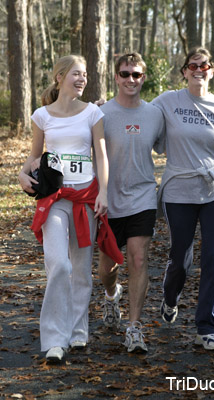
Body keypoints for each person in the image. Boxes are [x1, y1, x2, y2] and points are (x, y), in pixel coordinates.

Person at [152, 47, 214, 350]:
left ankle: (206, 327)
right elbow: (138, 113)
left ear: (212, 70)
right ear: (184, 71)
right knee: (180, 256)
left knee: (213, 258)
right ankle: (170, 298)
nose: (198, 70)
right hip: (179, 189)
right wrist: (106, 108)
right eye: (192, 65)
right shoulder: (168, 101)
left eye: (204, 65)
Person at [18, 55, 112, 363]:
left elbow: (101, 156)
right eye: (76, 73)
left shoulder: (93, 113)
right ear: (60, 77)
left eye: (85, 74)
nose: (82, 79)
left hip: (86, 198)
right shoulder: (42, 116)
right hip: (55, 199)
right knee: (59, 264)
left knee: (82, 270)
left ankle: (78, 331)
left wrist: (104, 193)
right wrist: (22, 174)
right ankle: (55, 340)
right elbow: (33, 159)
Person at [98, 52, 165, 353]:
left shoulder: (154, 114)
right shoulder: (100, 114)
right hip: (108, 201)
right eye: (125, 74)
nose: (130, 80)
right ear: (115, 77)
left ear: (144, 78)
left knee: (139, 258)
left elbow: (171, 146)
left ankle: (134, 328)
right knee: (106, 269)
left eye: (136, 74)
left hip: (142, 197)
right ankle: (112, 296)